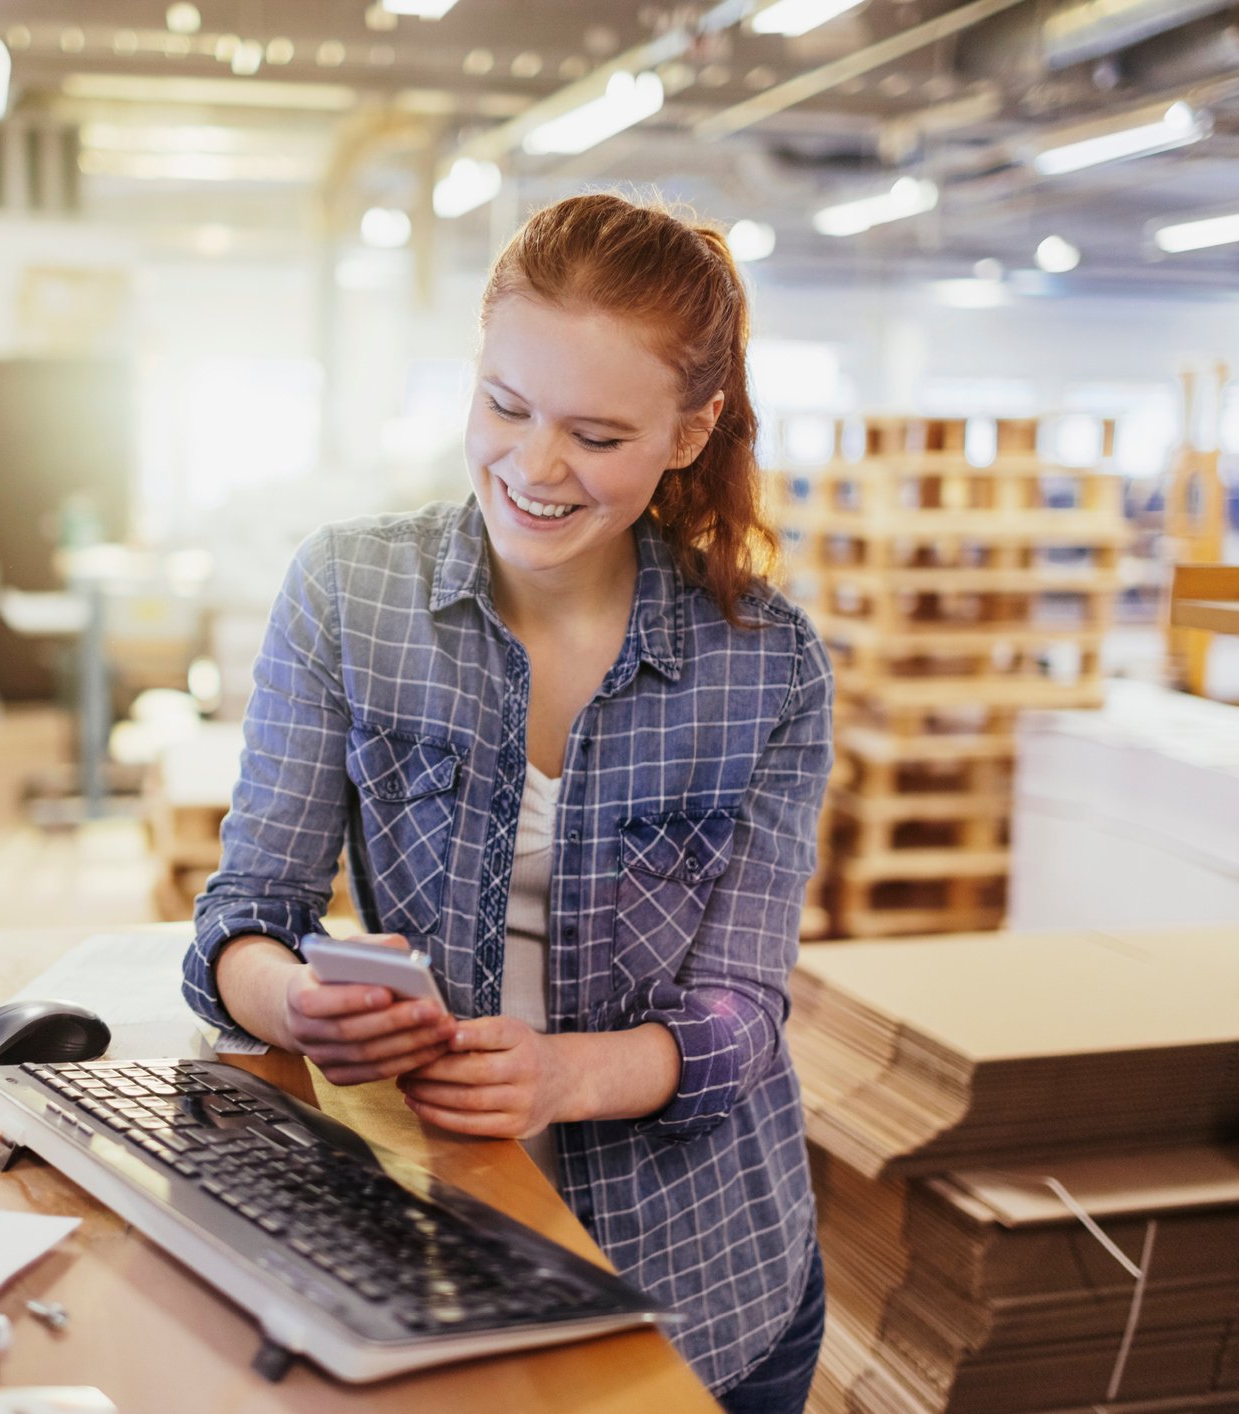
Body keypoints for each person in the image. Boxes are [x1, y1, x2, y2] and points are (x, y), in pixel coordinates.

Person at [182, 191, 832, 1412]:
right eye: (505, 406)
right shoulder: (346, 595)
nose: (533, 468)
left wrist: (563, 1076)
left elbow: (746, 1013)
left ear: (690, 433)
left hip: (706, 1280)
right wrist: (298, 1004)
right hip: (435, 1236)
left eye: (596, 434)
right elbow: (241, 914)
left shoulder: (769, 665)